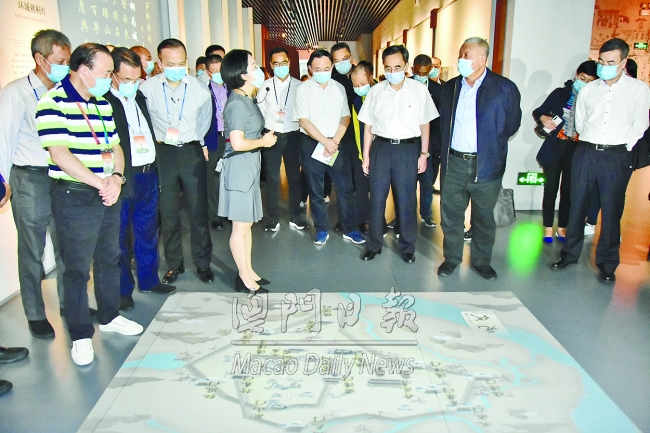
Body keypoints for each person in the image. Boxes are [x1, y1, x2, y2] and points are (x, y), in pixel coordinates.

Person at [36, 43, 144, 366]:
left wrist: (117, 178)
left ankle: (110, 316)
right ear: (84, 71)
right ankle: (81, 335)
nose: (110, 79)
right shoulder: (52, 102)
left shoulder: (102, 103)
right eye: (106, 72)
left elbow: (115, 146)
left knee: (110, 257)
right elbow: (60, 155)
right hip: (75, 195)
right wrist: (101, 183)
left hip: (107, 191)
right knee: (77, 269)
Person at [551, 38, 650, 284]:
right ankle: (569, 254)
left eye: (610, 62)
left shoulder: (638, 89)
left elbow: (640, 124)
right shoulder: (589, 89)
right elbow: (580, 121)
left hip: (617, 155)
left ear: (623, 62)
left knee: (611, 209)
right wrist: (591, 141)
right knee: (576, 204)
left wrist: (624, 147)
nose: (604, 67)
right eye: (601, 62)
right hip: (585, 152)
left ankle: (607, 264)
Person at [0, 29, 70, 338]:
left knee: (66, 244)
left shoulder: (63, 91)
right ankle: (35, 313)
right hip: (30, 178)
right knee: (32, 248)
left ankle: (71, 304)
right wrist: (2, 182)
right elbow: (3, 140)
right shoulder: (15, 93)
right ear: (40, 59)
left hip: (62, 176)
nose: (65, 67)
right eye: (60, 61)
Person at [437, 37, 522, 280]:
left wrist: (490, 146)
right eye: (460, 54)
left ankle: (482, 261)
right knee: (451, 215)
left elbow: (512, 124)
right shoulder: (451, 87)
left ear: (482, 59)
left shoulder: (504, 88)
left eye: (466, 55)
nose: (461, 59)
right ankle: (451, 258)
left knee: (484, 217)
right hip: (453, 163)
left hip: (486, 164)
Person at [104, 47, 176, 311]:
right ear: (113, 75)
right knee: (120, 237)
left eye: (137, 79)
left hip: (147, 173)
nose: (133, 85)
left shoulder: (139, 97)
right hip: (123, 177)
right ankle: (123, 290)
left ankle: (149, 280)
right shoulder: (104, 102)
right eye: (127, 80)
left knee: (148, 231)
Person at [139, 39, 214, 284]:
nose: (176, 68)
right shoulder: (147, 89)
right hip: (164, 154)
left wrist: (198, 142)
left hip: (191, 152)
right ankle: (174, 265)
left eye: (181, 63)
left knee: (198, 211)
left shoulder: (200, 89)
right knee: (168, 212)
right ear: (160, 63)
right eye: (170, 64)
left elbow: (205, 121)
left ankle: (203, 263)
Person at [359, 45, 438, 263]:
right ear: (383, 67)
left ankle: (407, 246)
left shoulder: (418, 90)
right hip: (381, 149)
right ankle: (374, 244)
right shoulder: (376, 91)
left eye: (397, 67)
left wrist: (423, 154)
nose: (392, 72)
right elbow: (368, 127)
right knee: (377, 198)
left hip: (408, 150)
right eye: (388, 68)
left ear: (406, 66)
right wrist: (366, 156)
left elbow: (425, 124)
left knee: (406, 199)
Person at [293, 49, 365, 246]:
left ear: (331, 67)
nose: (322, 72)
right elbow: (303, 120)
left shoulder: (339, 88)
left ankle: (350, 228)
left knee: (345, 188)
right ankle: (321, 229)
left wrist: (334, 141)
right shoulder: (303, 89)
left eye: (326, 68)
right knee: (316, 190)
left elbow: (346, 117)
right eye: (318, 69)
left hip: (336, 143)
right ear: (310, 69)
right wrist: (325, 141)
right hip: (312, 144)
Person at [219, 49, 277, 293]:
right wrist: (263, 142)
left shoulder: (246, 98)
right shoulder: (236, 104)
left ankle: (248, 270)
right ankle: (243, 277)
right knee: (240, 227)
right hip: (240, 167)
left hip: (249, 165)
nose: (259, 69)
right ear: (242, 74)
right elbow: (237, 143)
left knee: (247, 224)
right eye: (254, 66)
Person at [533, 60, 598, 243]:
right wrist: (544, 118)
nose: (584, 83)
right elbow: (539, 111)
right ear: (576, 75)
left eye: (589, 81)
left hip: (576, 149)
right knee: (550, 189)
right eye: (582, 78)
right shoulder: (560, 93)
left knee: (568, 191)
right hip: (555, 147)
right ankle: (547, 227)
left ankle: (562, 227)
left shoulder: (595, 99)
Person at [256, 47, 308, 232]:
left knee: (294, 177)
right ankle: (273, 218)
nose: (280, 66)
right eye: (276, 64)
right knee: (272, 179)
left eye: (283, 63)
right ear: (271, 65)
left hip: (294, 135)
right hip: (272, 135)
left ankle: (295, 216)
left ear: (289, 63)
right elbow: (261, 112)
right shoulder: (265, 86)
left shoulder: (299, 86)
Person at [410, 53, 442, 228]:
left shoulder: (438, 90)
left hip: (430, 144)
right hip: (409, 142)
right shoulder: (405, 86)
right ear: (412, 69)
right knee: (406, 183)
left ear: (430, 71)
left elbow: (440, 120)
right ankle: (403, 216)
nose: (421, 76)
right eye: (418, 73)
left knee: (427, 181)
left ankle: (426, 214)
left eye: (424, 73)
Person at [349, 61, 374, 232]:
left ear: (370, 78)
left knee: (378, 190)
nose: (359, 87)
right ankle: (362, 220)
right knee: (361, 188)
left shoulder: (381, 95)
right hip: (359, 152)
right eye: (355, 85)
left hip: (380, 151)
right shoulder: (355, 100)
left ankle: (378, 222)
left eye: (362, 83)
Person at [204, 54, 227, 231]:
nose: (218, 74)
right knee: (213, 178)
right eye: (214, 71)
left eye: (220, 70)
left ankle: (231, 212)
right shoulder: (203, 92)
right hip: (214, 138)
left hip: (232, 137)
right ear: (208, 72)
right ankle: (215, 216)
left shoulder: (233, 89)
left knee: (232, 176)